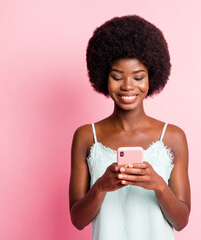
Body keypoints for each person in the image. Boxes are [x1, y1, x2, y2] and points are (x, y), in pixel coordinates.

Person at [69, 15, 190, 240]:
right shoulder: (86, 136)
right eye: (117, 77)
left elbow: (181, 221)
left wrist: (159, 186)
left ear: (151, 78)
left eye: (138, 77)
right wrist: (101, 186)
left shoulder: (173, 137)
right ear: (103, 76)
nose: (127, 86)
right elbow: (77, 220)